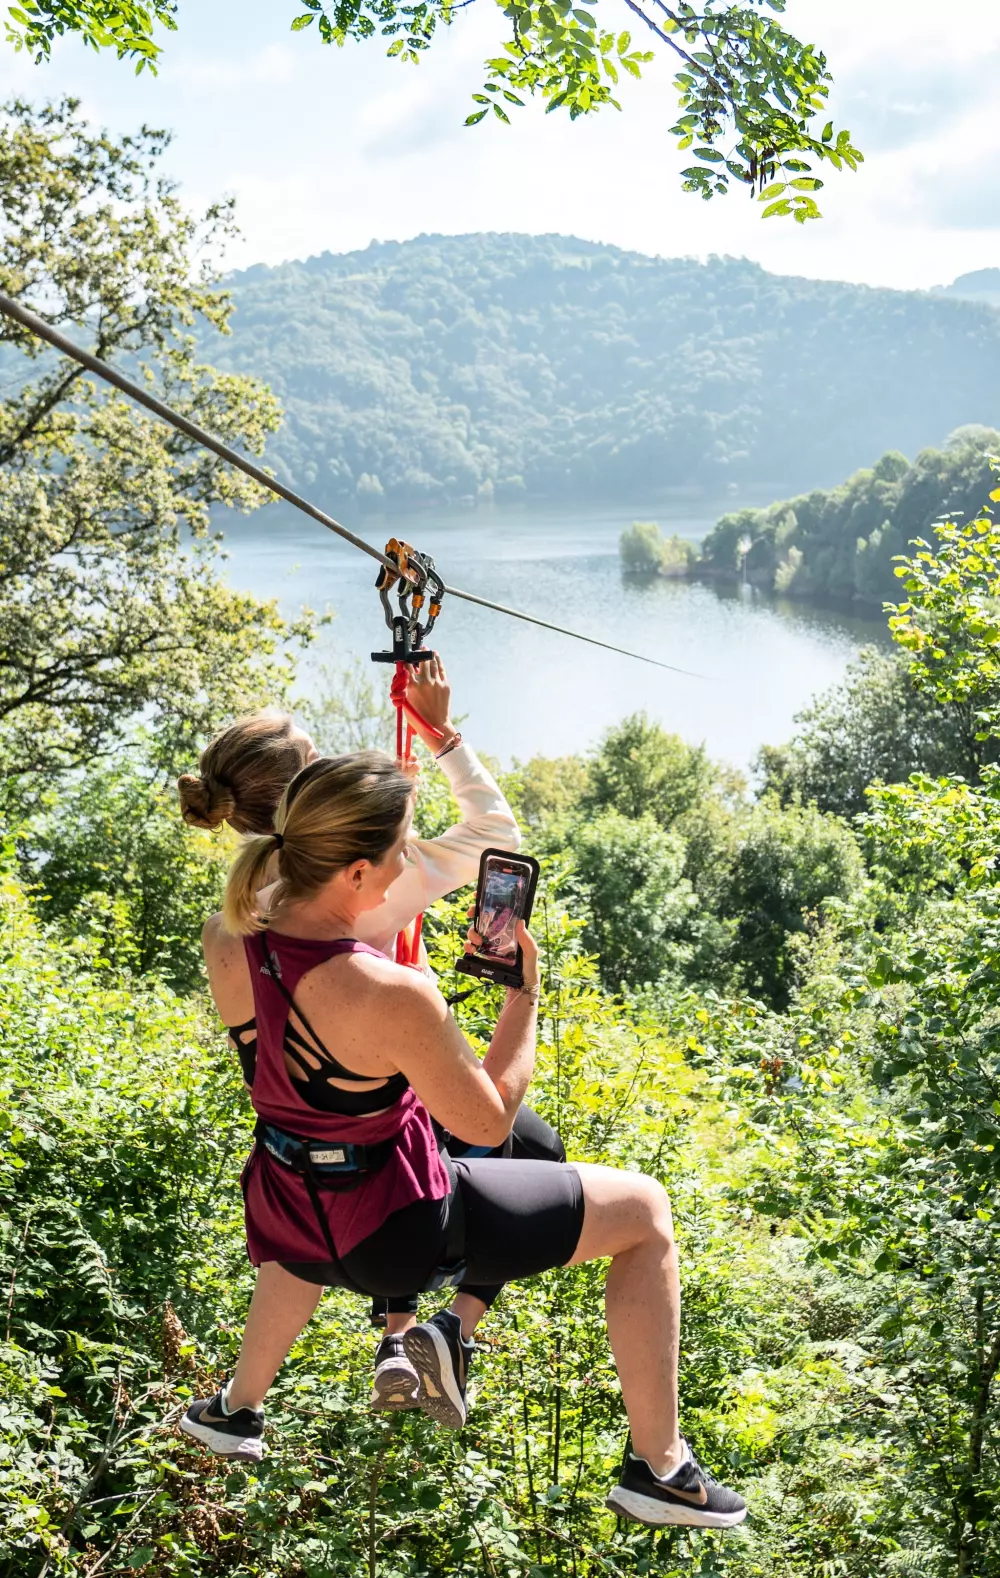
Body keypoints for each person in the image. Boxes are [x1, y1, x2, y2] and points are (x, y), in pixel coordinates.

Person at [180, 752, 747, 1530]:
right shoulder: (390, 990)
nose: (406, 864)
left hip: (288, 1218)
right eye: (399, 851)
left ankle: (236, 1409)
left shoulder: (226, 934)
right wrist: (524, 995)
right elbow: (489, 1122)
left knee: (331, 1168)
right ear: (352, 872)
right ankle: (662, 1468)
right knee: (646, 1211)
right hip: (394, 1236)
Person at [177, 657, 567, 1410]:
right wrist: (441, 734)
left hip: (291, 1144)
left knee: (392, 1142)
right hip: (376, 1129)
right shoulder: (366, 886)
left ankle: (351, 1354)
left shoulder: (233, 922)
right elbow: (497, 832)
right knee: (528, 1147)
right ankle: (447, 1332)